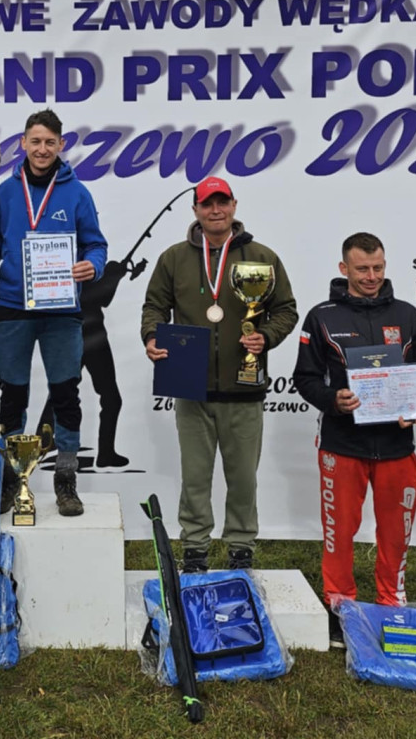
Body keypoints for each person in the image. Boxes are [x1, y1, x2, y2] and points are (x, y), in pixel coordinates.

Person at [291, 232, 416, 647]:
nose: (371, 276)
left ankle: (391, 602)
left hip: (396, 447)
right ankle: (340, 605)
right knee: (339, 532)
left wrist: (415, 406)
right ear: (344, 269)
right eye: (362, 269)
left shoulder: (408, 315)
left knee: (394, 533)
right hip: (343, 445)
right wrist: (333, 400)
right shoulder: (322, 317)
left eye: (377, 268)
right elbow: (304, 377)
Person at [141, 177, 297, 571]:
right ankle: (195, 548)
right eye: (207, 204)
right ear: (195, 209)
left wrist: (265, 336)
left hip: (244, 388)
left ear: (234, 205)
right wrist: (151, 337)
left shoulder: (261, 256)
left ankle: (241, 547)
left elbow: (286, 310)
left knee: (243, 478)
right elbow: (154, 306)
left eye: (222, 202)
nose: (216, 210)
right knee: (194, 476)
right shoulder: (174, 258)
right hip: (190, 389)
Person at [0, 109, 108, 517]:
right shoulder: (5, 192)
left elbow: (96, 245)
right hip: (13, 308)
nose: (42, 149)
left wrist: (92, 266)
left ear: (60, 145)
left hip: (61, 310)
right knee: (12, 397)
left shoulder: (78, 193)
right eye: (35, 141)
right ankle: (12, 481)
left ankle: (66, 480)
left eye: (49, 142)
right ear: (23, 144)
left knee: (65, 394)